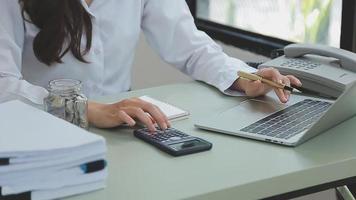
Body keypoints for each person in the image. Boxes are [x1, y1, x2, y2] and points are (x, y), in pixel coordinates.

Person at [0, 0, 301, 132]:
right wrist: (83, 109)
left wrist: (243, 77)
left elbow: (189, 44)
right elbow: (3, 83)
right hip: (39, 130)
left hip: (121, 129)